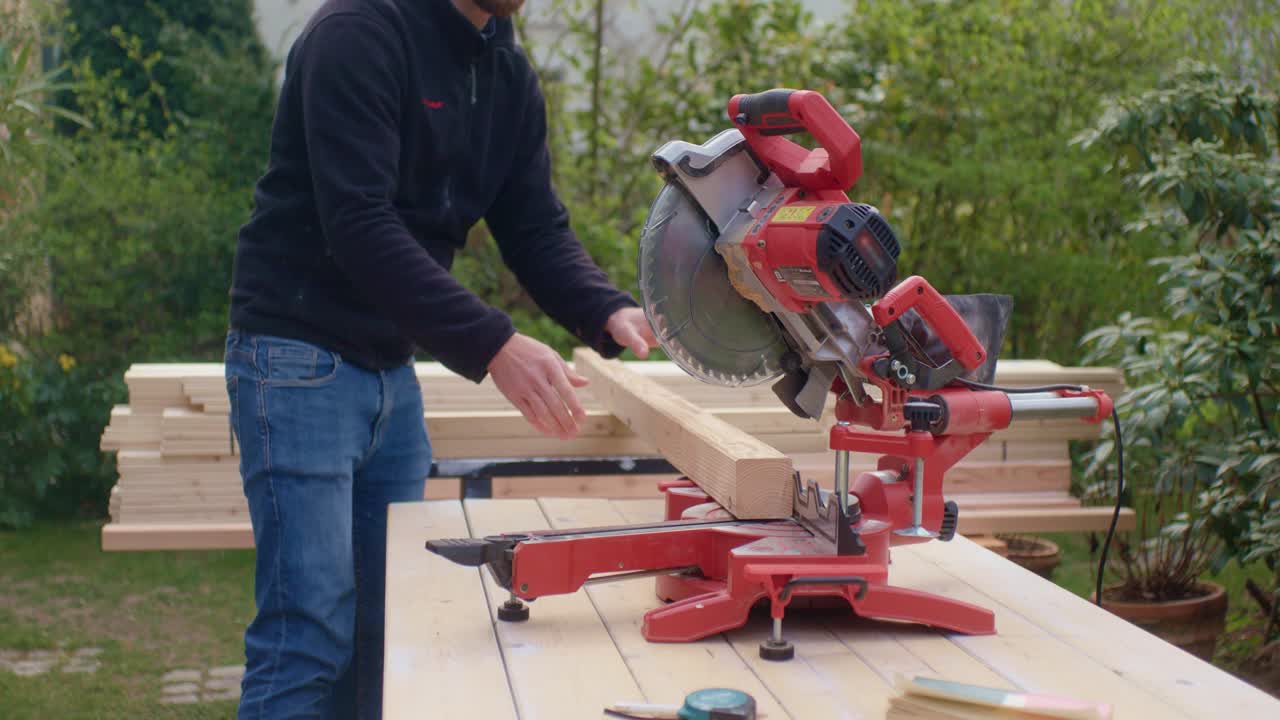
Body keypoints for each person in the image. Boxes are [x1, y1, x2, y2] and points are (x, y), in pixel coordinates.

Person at [222, 0, 657, 717]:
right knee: (308, 638)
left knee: (387, 630)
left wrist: (607, 311)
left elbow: (533, 226)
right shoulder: (358, 34)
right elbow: (357, 224)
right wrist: (493, 344)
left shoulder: (505, 69)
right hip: (296, 360)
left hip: (391, 372)